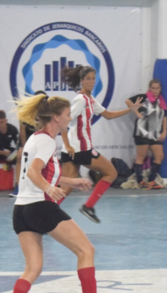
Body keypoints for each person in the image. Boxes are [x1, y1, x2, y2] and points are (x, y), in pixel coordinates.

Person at [2, 93, 112, 293]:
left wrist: (70, 181)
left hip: (21, 210)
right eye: (67, 115)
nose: (70, 118)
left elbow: (41, 172)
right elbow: (33, 172)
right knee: (86, 250)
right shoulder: (47, 142)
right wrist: (49, 189)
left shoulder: (36, 139)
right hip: (40, 206)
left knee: (33, 268)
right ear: (56, 118)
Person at [60, 65, 143, 223]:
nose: (91, 81)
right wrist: (69, 145)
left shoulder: (91, 100)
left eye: (93, 78)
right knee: (111, 173)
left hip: (71, 149)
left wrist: (130, 109)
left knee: (67, 187)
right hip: (80, 149)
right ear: (82, 81)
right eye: (88, 79)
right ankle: (89, 206)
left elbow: (109, 115)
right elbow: (65, 120)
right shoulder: (81, 99)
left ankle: (44, 214)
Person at [125, 79, 167, 189]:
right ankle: (140, 182)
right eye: (153, 88)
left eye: (157, 88)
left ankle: (151, 180)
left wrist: (164, 131)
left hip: (155, 132)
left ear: (160, 89)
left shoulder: (161, 102)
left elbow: (164, 117)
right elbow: (128, 101)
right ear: (150, 88)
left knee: (159, 156)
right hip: (142, 131)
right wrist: (136, 112)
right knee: (141, 156)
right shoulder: (143, 98)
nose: (155, 90)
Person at [11, 90, 47, 198]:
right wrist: (24, 147)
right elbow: (22, 131)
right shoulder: (26, 113)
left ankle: (42, 186)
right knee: (20, 158)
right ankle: (19, 186)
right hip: (26, 141)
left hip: (40, 141)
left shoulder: (47, 114)